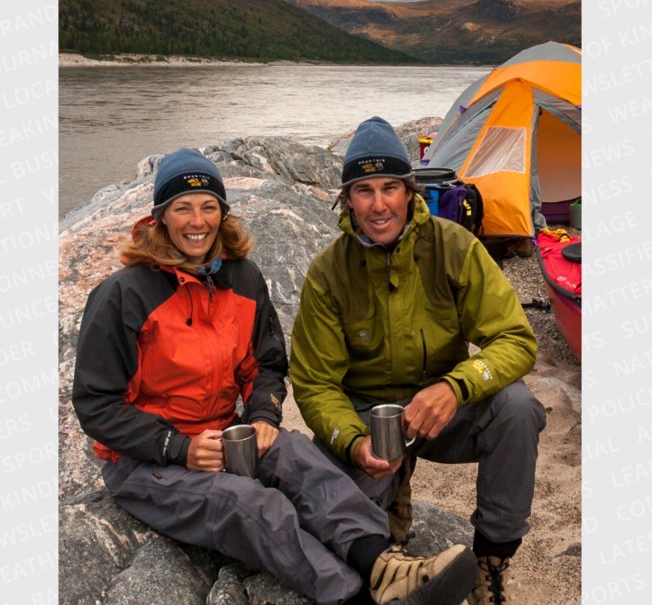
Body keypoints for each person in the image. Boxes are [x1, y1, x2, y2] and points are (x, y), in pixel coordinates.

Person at [72, 147, 478, 605]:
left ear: (222, 214)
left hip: (226, 436)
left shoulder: (242, 278)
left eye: (208, 206)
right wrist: (179, 448)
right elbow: (95, 404)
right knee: (250, 504)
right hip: (145, 462)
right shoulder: (123, 294)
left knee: (297, 455)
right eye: (182, 208)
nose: (196, 221)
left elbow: (265, 364)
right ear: (161, 217)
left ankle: (383, 566)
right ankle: (353, 597)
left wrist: (264, 413)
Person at [290, 117, 547, 605]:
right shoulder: (328, 272)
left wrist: (457, 386)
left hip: (446, 411)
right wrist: (350, 440)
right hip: (369, 419)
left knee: (517, 408)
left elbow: (515, 340)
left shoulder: (454, 247)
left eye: (390, 187)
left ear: (410, 192)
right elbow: (315, 383)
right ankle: (392, 524)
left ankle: (490, 563)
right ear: (347, 200)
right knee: (341, 531)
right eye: (363, 190)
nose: (379, 204)